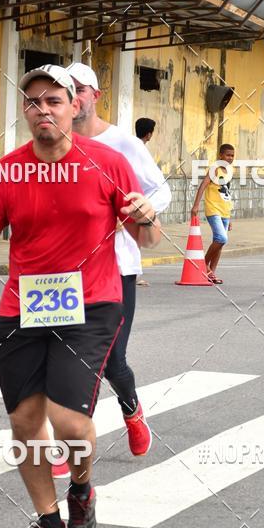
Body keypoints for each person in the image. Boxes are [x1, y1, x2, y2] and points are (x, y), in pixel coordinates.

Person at [0, 64, 161, 528]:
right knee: (26, 423)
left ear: (74, 106)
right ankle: (48, 521)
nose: (42, 109)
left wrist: (147, 218)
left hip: (90, 304)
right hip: (23, 307)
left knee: (70, 424)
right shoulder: (6, 170)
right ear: (25, 112)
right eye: (33, 102)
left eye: (53, 100)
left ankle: (82, 492)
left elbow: (148, 239)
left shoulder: (108, 163)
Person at [69, 63, 171, 456]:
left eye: (80, 89)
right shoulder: (52, 145)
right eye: (67, 90)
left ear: (95, 95)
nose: (73, 97)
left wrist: (144, 205)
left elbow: (159, 189)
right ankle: (72, 441)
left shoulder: (124, 144)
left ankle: (132, 412)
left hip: (117, 268)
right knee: (69, 358)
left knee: (112, 362)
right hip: (65, 272)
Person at [191, 143, 235, 284]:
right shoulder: (215, 169)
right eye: (227, 155)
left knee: (220, 243)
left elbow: (227, 193)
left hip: (225, 211)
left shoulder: (229, 171)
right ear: (220, 155)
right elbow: (203, 185)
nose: (230, 158)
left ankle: (211, 273)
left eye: (232, 155)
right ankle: (203, 265)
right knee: (221, 238)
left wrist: (230, 216)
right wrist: (196, 205)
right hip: (213, 209)